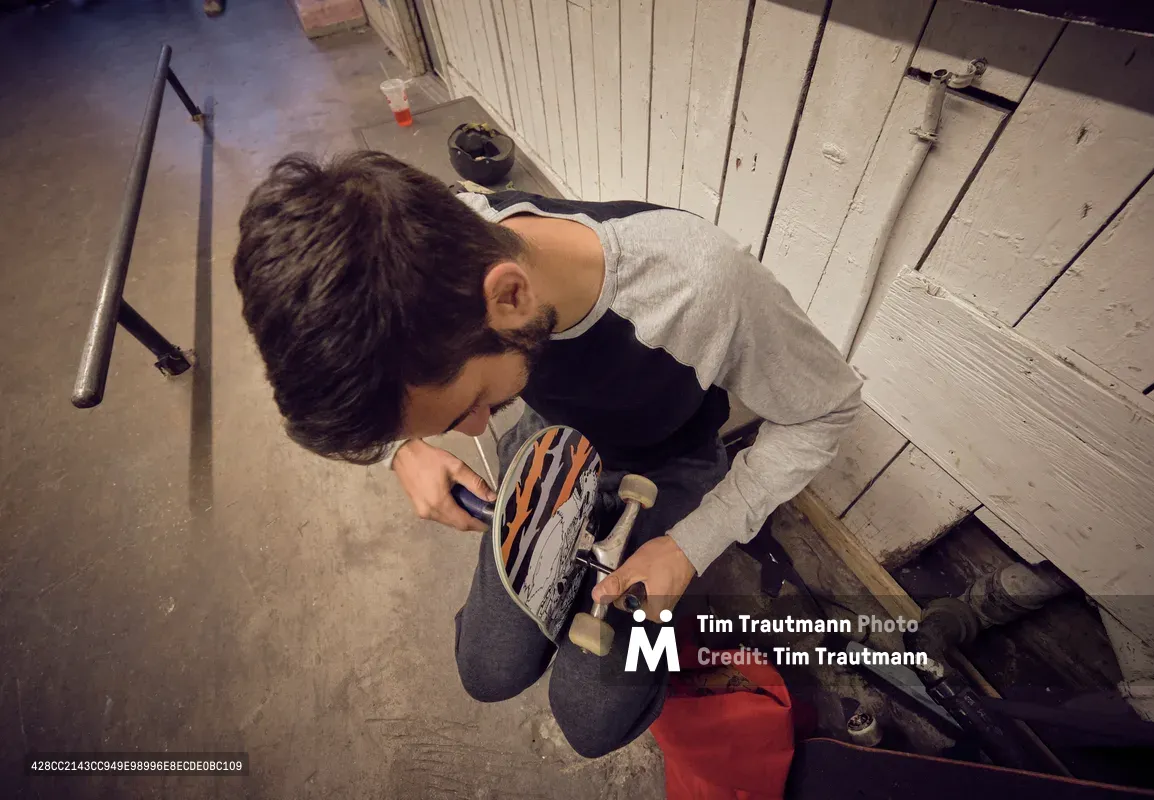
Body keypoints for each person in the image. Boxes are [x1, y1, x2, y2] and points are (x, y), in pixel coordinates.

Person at [232, 151, 862, 758]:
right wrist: (405, 446)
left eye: (472, 406)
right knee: (488, 671)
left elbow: (823, 409)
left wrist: (691, 544)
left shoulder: (700, 286)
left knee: (591, 721)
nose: (477, 431)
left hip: (669, 456)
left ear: (509, 297)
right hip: (555, 443)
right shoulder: (429, 232)